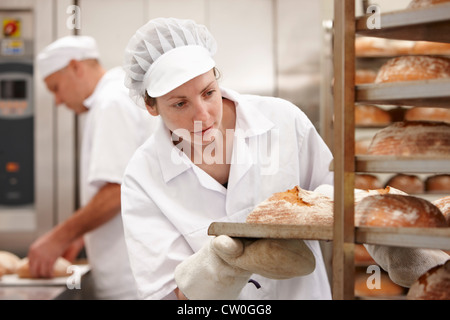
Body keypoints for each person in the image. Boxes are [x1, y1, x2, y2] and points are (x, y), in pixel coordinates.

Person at [121, 17, 334, 300]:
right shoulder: (143, 176)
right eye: (180, 104)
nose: (203, 115)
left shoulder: (283, 121)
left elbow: (335, 197)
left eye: (209, 92)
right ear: (151, 107)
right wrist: (219, 265)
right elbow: (168, 293)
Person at [29, 35, 157, 299]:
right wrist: (83, 232)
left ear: (75, 67)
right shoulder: (115, 96)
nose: (58, 101)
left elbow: (116, 191)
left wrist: (58, 238)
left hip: (131, 281)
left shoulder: (111, 102)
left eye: (55, 88)